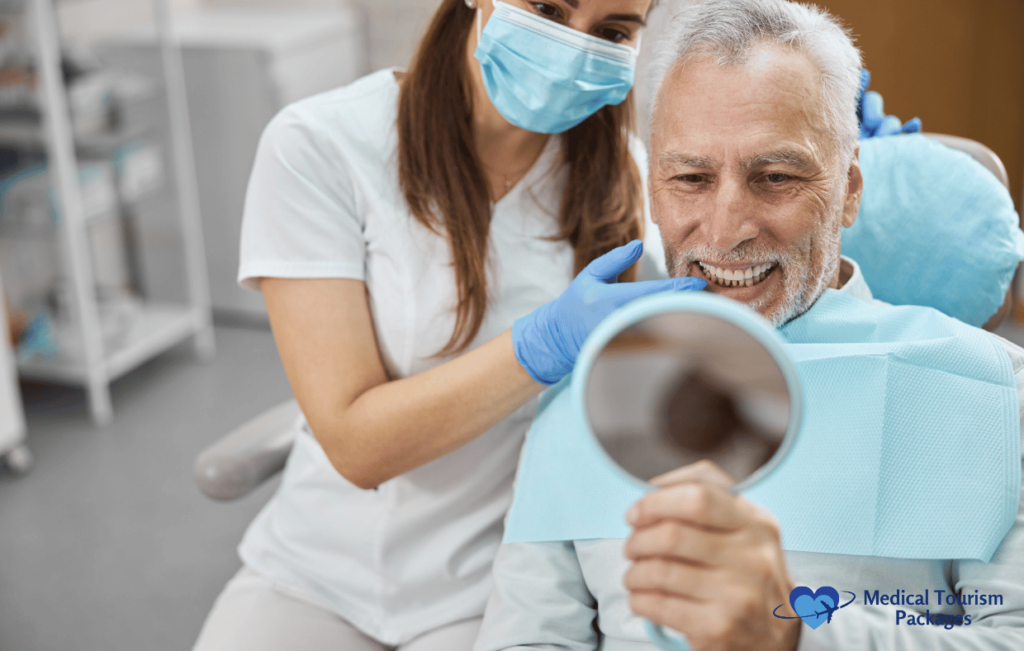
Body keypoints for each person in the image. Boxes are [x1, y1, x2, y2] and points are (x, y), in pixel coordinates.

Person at [472, 1, 1024, 650]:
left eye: (775, 176)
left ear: (848, 189)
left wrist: (792, 637)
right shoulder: (583, 396)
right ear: (653, 189)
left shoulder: (994, 394)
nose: (727, 228)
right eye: (691, 177)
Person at [191, 1, 717, 649]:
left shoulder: (628, 181)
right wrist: (539, 346)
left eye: (611, 32)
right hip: (315, 573)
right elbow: (357, 445)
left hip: (494, 590)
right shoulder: (321, 146)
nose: (572, 46)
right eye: (547, 7)